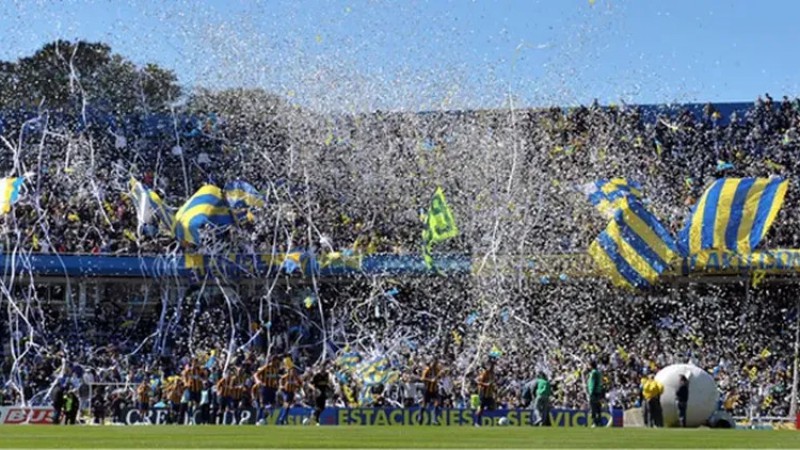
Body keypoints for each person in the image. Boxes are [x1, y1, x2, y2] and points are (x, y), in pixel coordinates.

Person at [253, 355, 281, 425]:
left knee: (273, 405)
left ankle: (264, 419)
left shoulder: (275, 369)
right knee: (263, 405)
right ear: (273, 361)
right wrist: (258, 381)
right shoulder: (266, 367)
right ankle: (257, 421)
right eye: (277, 361)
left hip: (272, 389)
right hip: (265, 388)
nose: (278, 362)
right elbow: (256, 374)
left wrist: (277, 384)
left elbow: (276, 378)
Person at [182, 359, 207, 425]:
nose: (195, 364)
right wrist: (186, 383)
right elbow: (184, 376)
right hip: (190, 389)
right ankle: (190, 418)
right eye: (194, 363)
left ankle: (196, 417)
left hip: (198, 389)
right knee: (190, 403)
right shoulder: (189, 370)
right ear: (192, 363)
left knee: (197, 404)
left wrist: (202, 380)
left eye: (196, 363)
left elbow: (204, 377)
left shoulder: (200, 370)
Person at [473, 359, 495, 427]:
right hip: (483, 394)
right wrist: (486, 384)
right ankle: (477, 422)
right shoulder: (484, 373)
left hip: (489, 394)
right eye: (491, 366)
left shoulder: (491, 374)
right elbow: (478, 382)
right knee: (481, 409)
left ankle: (479, 417)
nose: (492, 367)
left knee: (492, 407)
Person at [421, 359, 442, 425]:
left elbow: (440, 375)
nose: (434, 364)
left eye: (435, 363)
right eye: (433, 363)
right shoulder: (427, 370)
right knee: (424, 404)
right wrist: (430, 380)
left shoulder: (437, 369)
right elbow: (422, 378)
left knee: (438, 402)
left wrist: (442, 373)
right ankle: (420, 416)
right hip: (427, 389)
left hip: (435, 389)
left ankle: (434, 419)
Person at [587, 361, 604, 428]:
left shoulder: (594, 373)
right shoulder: (598, 372)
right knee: (598, 407)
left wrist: (592, 392)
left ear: (591, 365)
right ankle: (599, 422)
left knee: (593, 407)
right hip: (598, 392)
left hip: (594, 392)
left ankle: (595, 422)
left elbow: (594, 382)